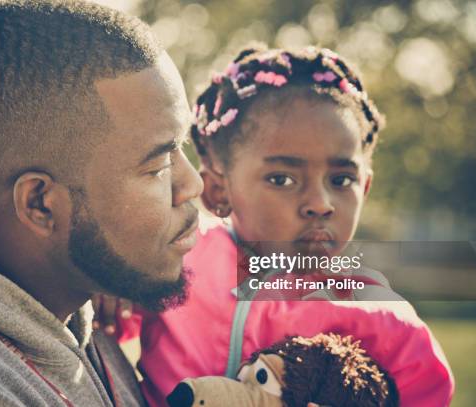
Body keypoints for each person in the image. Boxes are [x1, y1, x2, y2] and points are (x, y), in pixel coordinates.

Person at [0, 1, 203, 406]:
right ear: (40, 205)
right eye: (158, 166)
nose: (194, 184)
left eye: (182, 147)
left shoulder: (74, 296)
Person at [107, 45, 453, 406]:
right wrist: (109, 288)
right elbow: (113, 304)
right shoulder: (180, 257)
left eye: (341, 180)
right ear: (217, 190)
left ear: (365, 187)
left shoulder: (382, 318)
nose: (320, 204)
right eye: (282, 179)